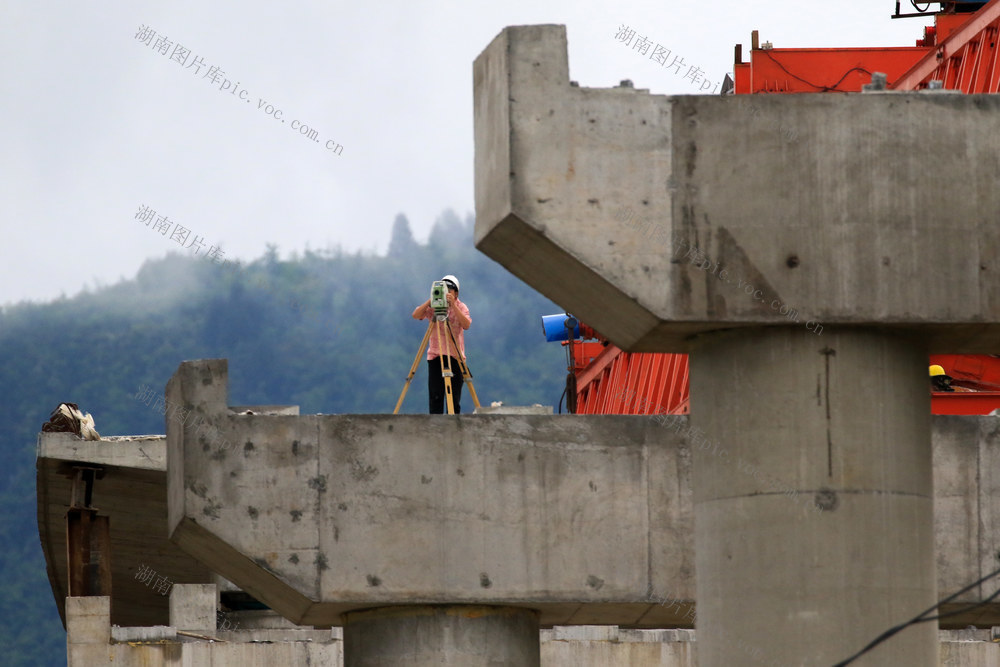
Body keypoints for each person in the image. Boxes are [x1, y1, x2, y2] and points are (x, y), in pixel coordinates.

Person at [411, 274, 471, 413]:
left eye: (449, 290)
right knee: (436, 397)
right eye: (444, 289)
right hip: (435, 356)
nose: (446, 293)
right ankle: (436, 427)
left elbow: (466, 324)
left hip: (455, 357)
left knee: (454, 400)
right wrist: (431, 300)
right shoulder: (434, 306)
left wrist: (453, 306)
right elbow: (416, 315)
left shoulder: (461, 307)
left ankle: (454, 426)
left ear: (456, 293)